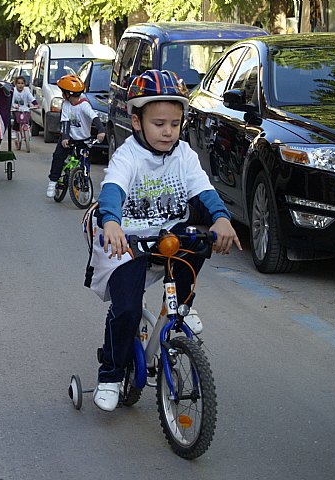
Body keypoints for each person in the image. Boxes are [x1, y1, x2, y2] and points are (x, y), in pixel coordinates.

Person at [85, 70, 241, 412]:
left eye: (175, 122)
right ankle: (110, 373)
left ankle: (182, 303)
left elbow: (203, 189)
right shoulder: (128, 156)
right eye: (159, 123)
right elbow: (112, 190)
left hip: (167, 236)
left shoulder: (184, 155)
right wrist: (111, 222)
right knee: (125, 310)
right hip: (128, 241)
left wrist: (222, 218)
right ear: (137, 121)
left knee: (199, 239)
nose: (168, 131)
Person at [46, 74, 105, 197]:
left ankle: (86, 191)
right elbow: (65, 121)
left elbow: (94, 117)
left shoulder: (84, 104)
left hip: (83, 140)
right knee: (58, 156)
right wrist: (65, 137)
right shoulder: (66, 104)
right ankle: (53, 182)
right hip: (70, 138)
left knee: (84, 165)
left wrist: (101, 130)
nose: (62, 94)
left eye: (63, 92)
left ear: (69, 93)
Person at [11, 75, 38, 149]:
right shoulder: (13, 91)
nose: (20, 85)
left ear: (24, 84)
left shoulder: (26, 90)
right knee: (16, 121)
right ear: (16, 84)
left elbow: (31, 97)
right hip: (16, 109)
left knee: (30, 120)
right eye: (18, 83)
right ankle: (15, 133)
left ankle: (27, 129)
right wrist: (13, 106)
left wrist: (36, 104)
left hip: (25, 109)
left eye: (22, 83)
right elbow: (11, 100)